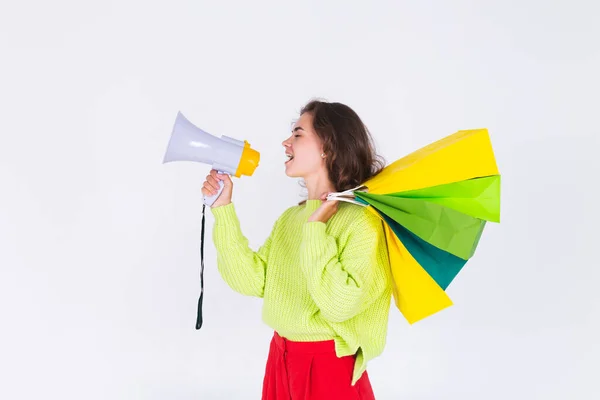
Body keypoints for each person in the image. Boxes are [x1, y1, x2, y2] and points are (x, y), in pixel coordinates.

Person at [201, 99, 392, 399]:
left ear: (328, 146)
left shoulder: (361, 222)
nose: (285, 142)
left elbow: (339, 304)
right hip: (281, 360)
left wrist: (316, 228)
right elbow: (252, 280)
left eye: (298, 134)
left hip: (329, 370)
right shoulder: (291, 219)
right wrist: (222, 209)